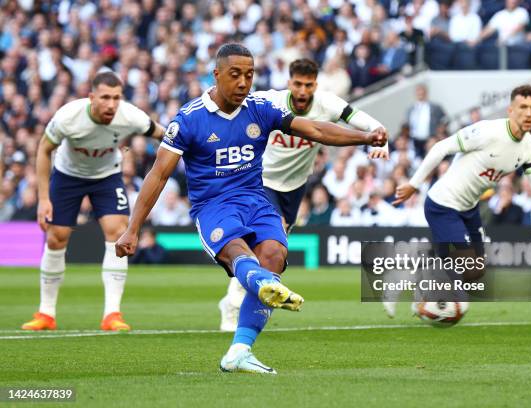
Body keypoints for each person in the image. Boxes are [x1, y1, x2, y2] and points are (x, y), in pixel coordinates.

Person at [115, 44, 387, 374]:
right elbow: (158, 175)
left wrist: (365, 137)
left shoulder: (259, 108)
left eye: (249, 74)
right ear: (216, 75)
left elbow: (314, 128)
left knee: (273, 255)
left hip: (256, 201)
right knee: (238, 252)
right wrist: (133, 227)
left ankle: (240, 350)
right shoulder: (188, 119)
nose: (244, 82)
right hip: (214, 207)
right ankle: (259, 282)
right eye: (236, 75)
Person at [217, 58, 388, 332]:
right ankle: (236, 305)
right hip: (262, 180)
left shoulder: (327, 104)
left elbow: (359, 119)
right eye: (297, 84)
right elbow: (234, 103)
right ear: (289, 83)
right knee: (274, 235)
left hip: (296, 186)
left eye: (308, 85)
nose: (302, 91)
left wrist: (381, 137)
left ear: (315, 85)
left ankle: (235, 301)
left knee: (273, 248)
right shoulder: (270, 101)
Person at [391, 84, 531, 317]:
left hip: (469, 209)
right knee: (464, 263)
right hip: (443, 204)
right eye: (523, 107)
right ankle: (421, 291)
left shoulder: (529, 147)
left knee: (475, 272)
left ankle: (424, 284)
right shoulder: (487, 132)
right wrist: (414, 184)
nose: (528, 113)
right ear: (510, 110)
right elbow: (441, 147)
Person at [21, 71, 165, 331]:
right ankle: (46, 314)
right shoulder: (68, 117)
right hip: (67, 176)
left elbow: (163, 134)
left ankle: (112, 314)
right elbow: (44, 150)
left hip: (107, 176)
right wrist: (43, 198)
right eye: (105, 97)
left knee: (118, 233)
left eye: (117, 98)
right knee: (56, 237)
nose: (111, 104)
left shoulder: (130, 115)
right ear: (91, 97)